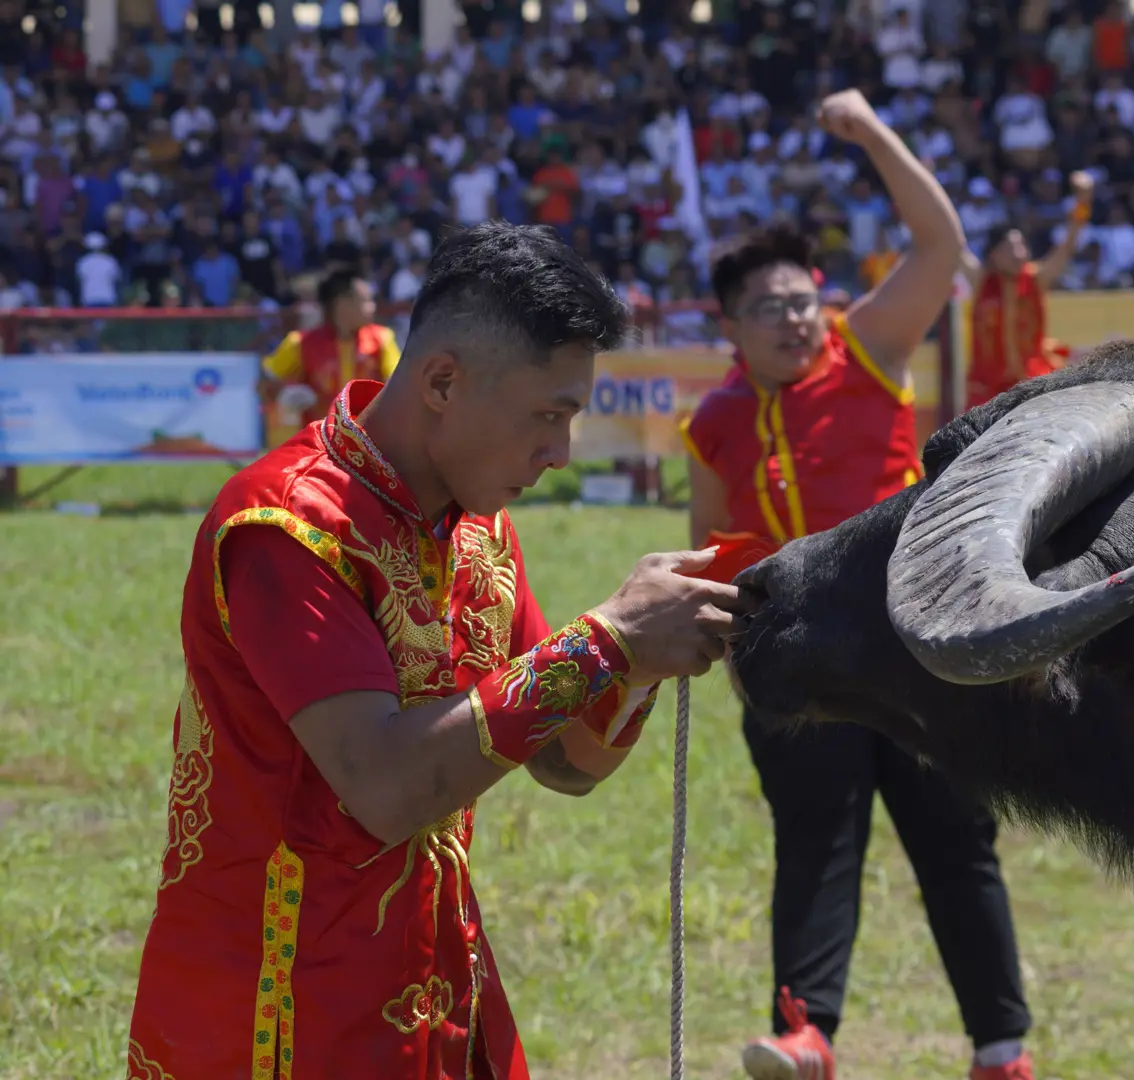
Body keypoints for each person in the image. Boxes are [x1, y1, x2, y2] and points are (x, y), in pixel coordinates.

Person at [125, 222, 743, 1080]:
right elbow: (385, 788)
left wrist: (634, 667)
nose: (559, 454)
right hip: (278, 1009)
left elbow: (567, 761)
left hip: (439, 984)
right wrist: (605, 641)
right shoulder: (287, 528)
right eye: (547, 416)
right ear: (443, 382)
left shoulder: (479, 526)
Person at [681, 89, 1037, 1080]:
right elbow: (709, 543)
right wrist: (712, 647)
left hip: (916, 645)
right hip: (795, 666)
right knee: (813, 848)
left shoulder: (870, 352)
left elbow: (938, 243)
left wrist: (872, 132)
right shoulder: (711, 424)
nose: (792, 319)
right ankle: (806, 1035)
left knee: (954, 845)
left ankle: (999, 1050)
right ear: (731, 325)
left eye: (802, 299)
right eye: (767, 307)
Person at [958, 171, 1093, 410]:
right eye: (1011, 248)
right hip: (987, 392)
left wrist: (1082, 202)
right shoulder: (981, 281)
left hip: (1032, 386)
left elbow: (1068, 245)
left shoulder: (1036, 278)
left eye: (1022, 246)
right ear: (994, 255)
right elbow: (951, 244)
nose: (1020, 253)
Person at [260, 266, 401, 445]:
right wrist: (285, 393)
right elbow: (264, 383)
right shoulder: (300, 343)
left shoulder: (382, 339)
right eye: (366, 301)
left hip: (369, 449)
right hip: (318, 447)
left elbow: (396, 384)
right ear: (342, 304)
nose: (372, 307)